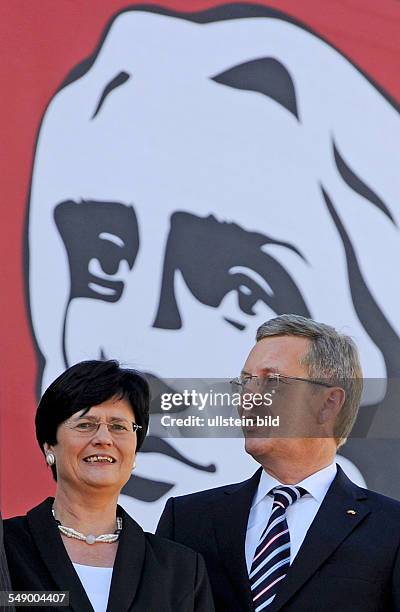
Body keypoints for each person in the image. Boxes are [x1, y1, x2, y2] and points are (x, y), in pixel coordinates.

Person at [26, 5, 400, 527]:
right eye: (105, 266)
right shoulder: (190, 526)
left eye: (239, 292)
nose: (143, 347)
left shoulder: (387, 535)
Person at [157, 314, 400, 611]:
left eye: (272, 381)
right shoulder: (187, 520)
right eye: (245, 381)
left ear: (328, 403)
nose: (249, 398)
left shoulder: (390, 529)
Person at [4, 360, 214, 612]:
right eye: (85, 425)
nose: (103, 439)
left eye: (118, 426)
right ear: (50, 445)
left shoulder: (179, 569)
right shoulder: (8, 547)